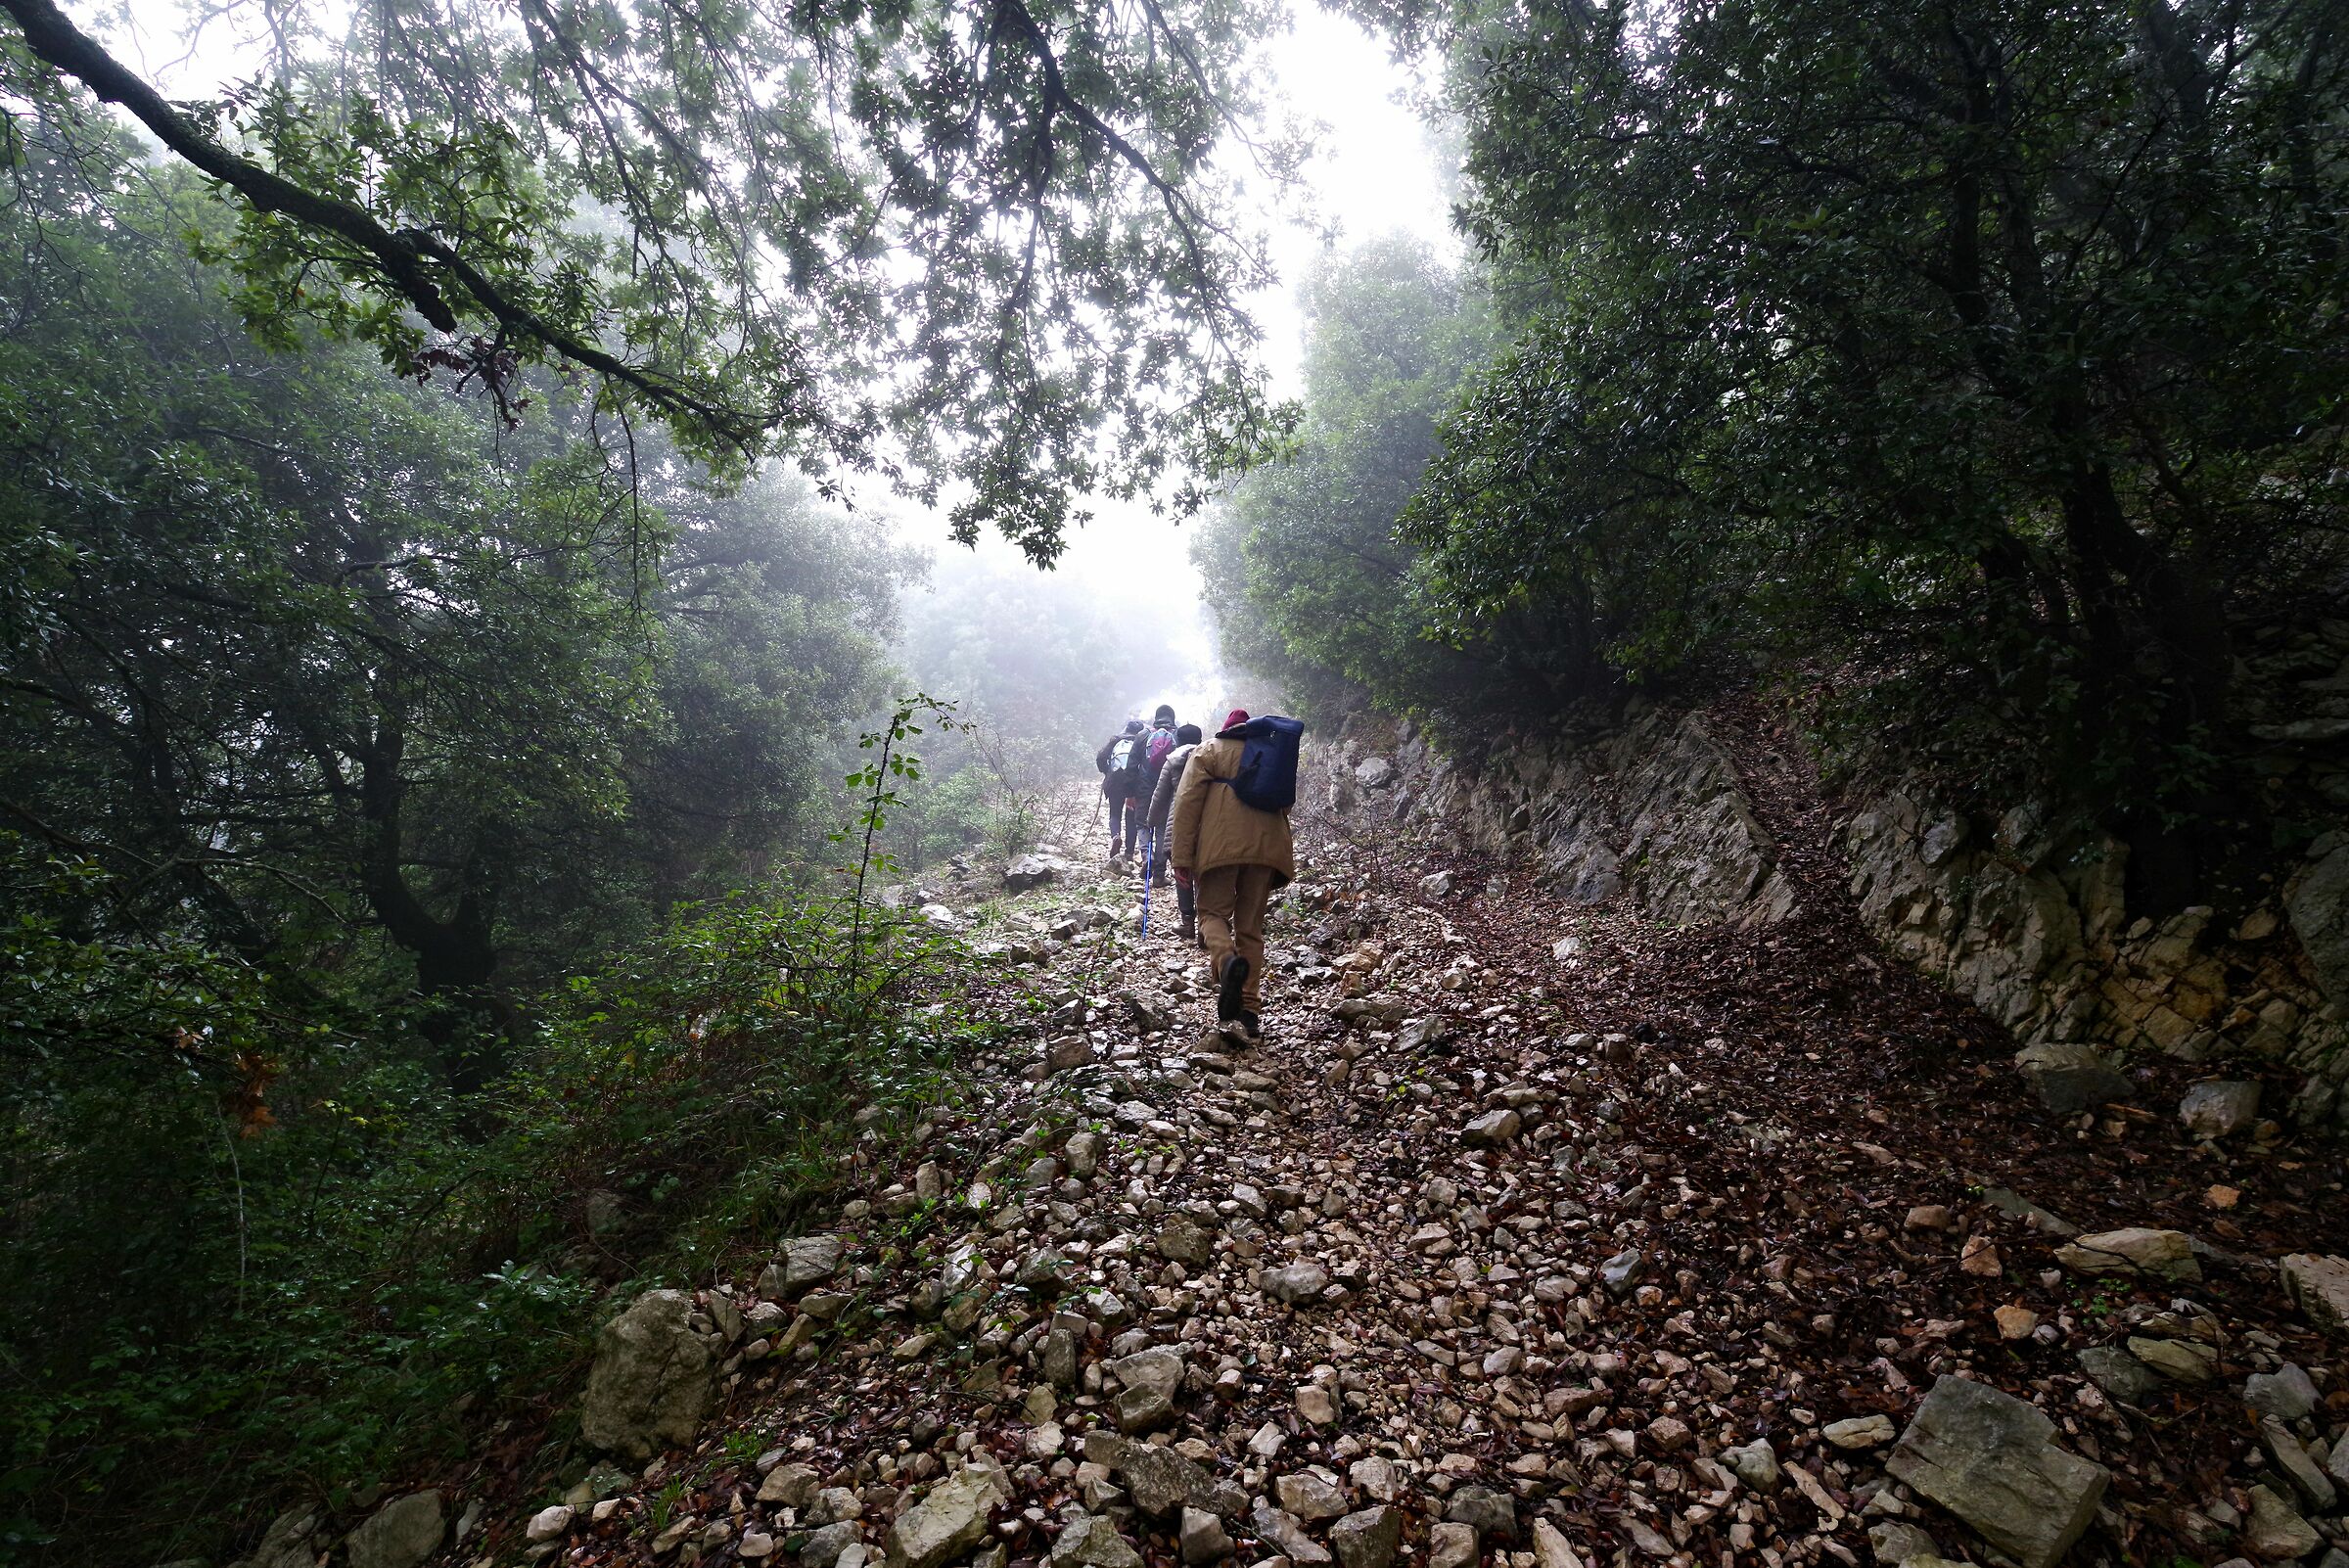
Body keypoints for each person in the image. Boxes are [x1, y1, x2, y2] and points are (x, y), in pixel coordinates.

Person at [1170, 708, 1296, 1041]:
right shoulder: (1271, 756)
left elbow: (1186, 802)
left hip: (1221, 847)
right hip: (1267, 850)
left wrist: (1181, 856)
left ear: (1226, 730)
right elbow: (1284, 805)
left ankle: (1226, 964)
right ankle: (1250, 1010)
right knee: (1250, 929)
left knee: (1211, 914)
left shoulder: (1209, 750)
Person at [1144, 722, 1205, 934]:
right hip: (1206, 823)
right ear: (1199, 738)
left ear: (1177, 739)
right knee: (1204, 873)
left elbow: (1159, 796)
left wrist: (1150, 821)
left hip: (1177, 824)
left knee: (1182, 871)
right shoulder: (1208, 757)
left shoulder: (1173, 760)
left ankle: (1187, 921)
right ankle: (1208, 923)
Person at [1095, 717, 1149, 861]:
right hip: (1134, 781)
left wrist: (1107, 771)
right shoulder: (1143, 742)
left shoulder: (1115, 740)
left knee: (1115, 813)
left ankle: (1115, 836)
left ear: (1126, 728)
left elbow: (1100, 757)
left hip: (1114, 779)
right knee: (1131, 817)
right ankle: (1129, 852)